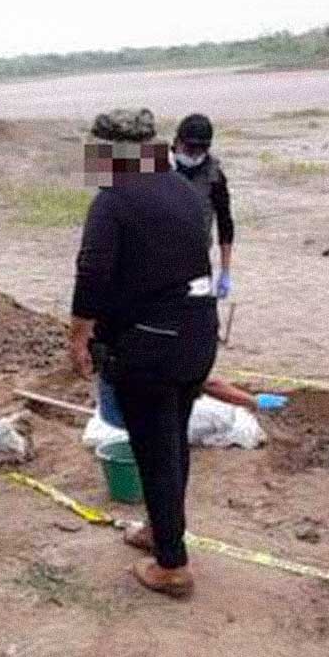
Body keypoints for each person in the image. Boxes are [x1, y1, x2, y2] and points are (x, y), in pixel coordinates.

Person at [68, 107, 216, 598]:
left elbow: (92, 271)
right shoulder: (182, 190)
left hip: (150, 344)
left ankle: (172, 565)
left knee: (155, 449)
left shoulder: (113, 200)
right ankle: (160, 530)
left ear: (111, 151)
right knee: (171, 440)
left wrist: (78, 336)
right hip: (197, 334)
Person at [173, 113, 234, 300]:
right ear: (177, 142)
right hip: (156, 257)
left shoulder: (214, 176)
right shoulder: (155, 164)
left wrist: (225, 271)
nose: (194, 155)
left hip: (197, 260)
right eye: (190, 149)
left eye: (200, 150)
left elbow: (225, 223)